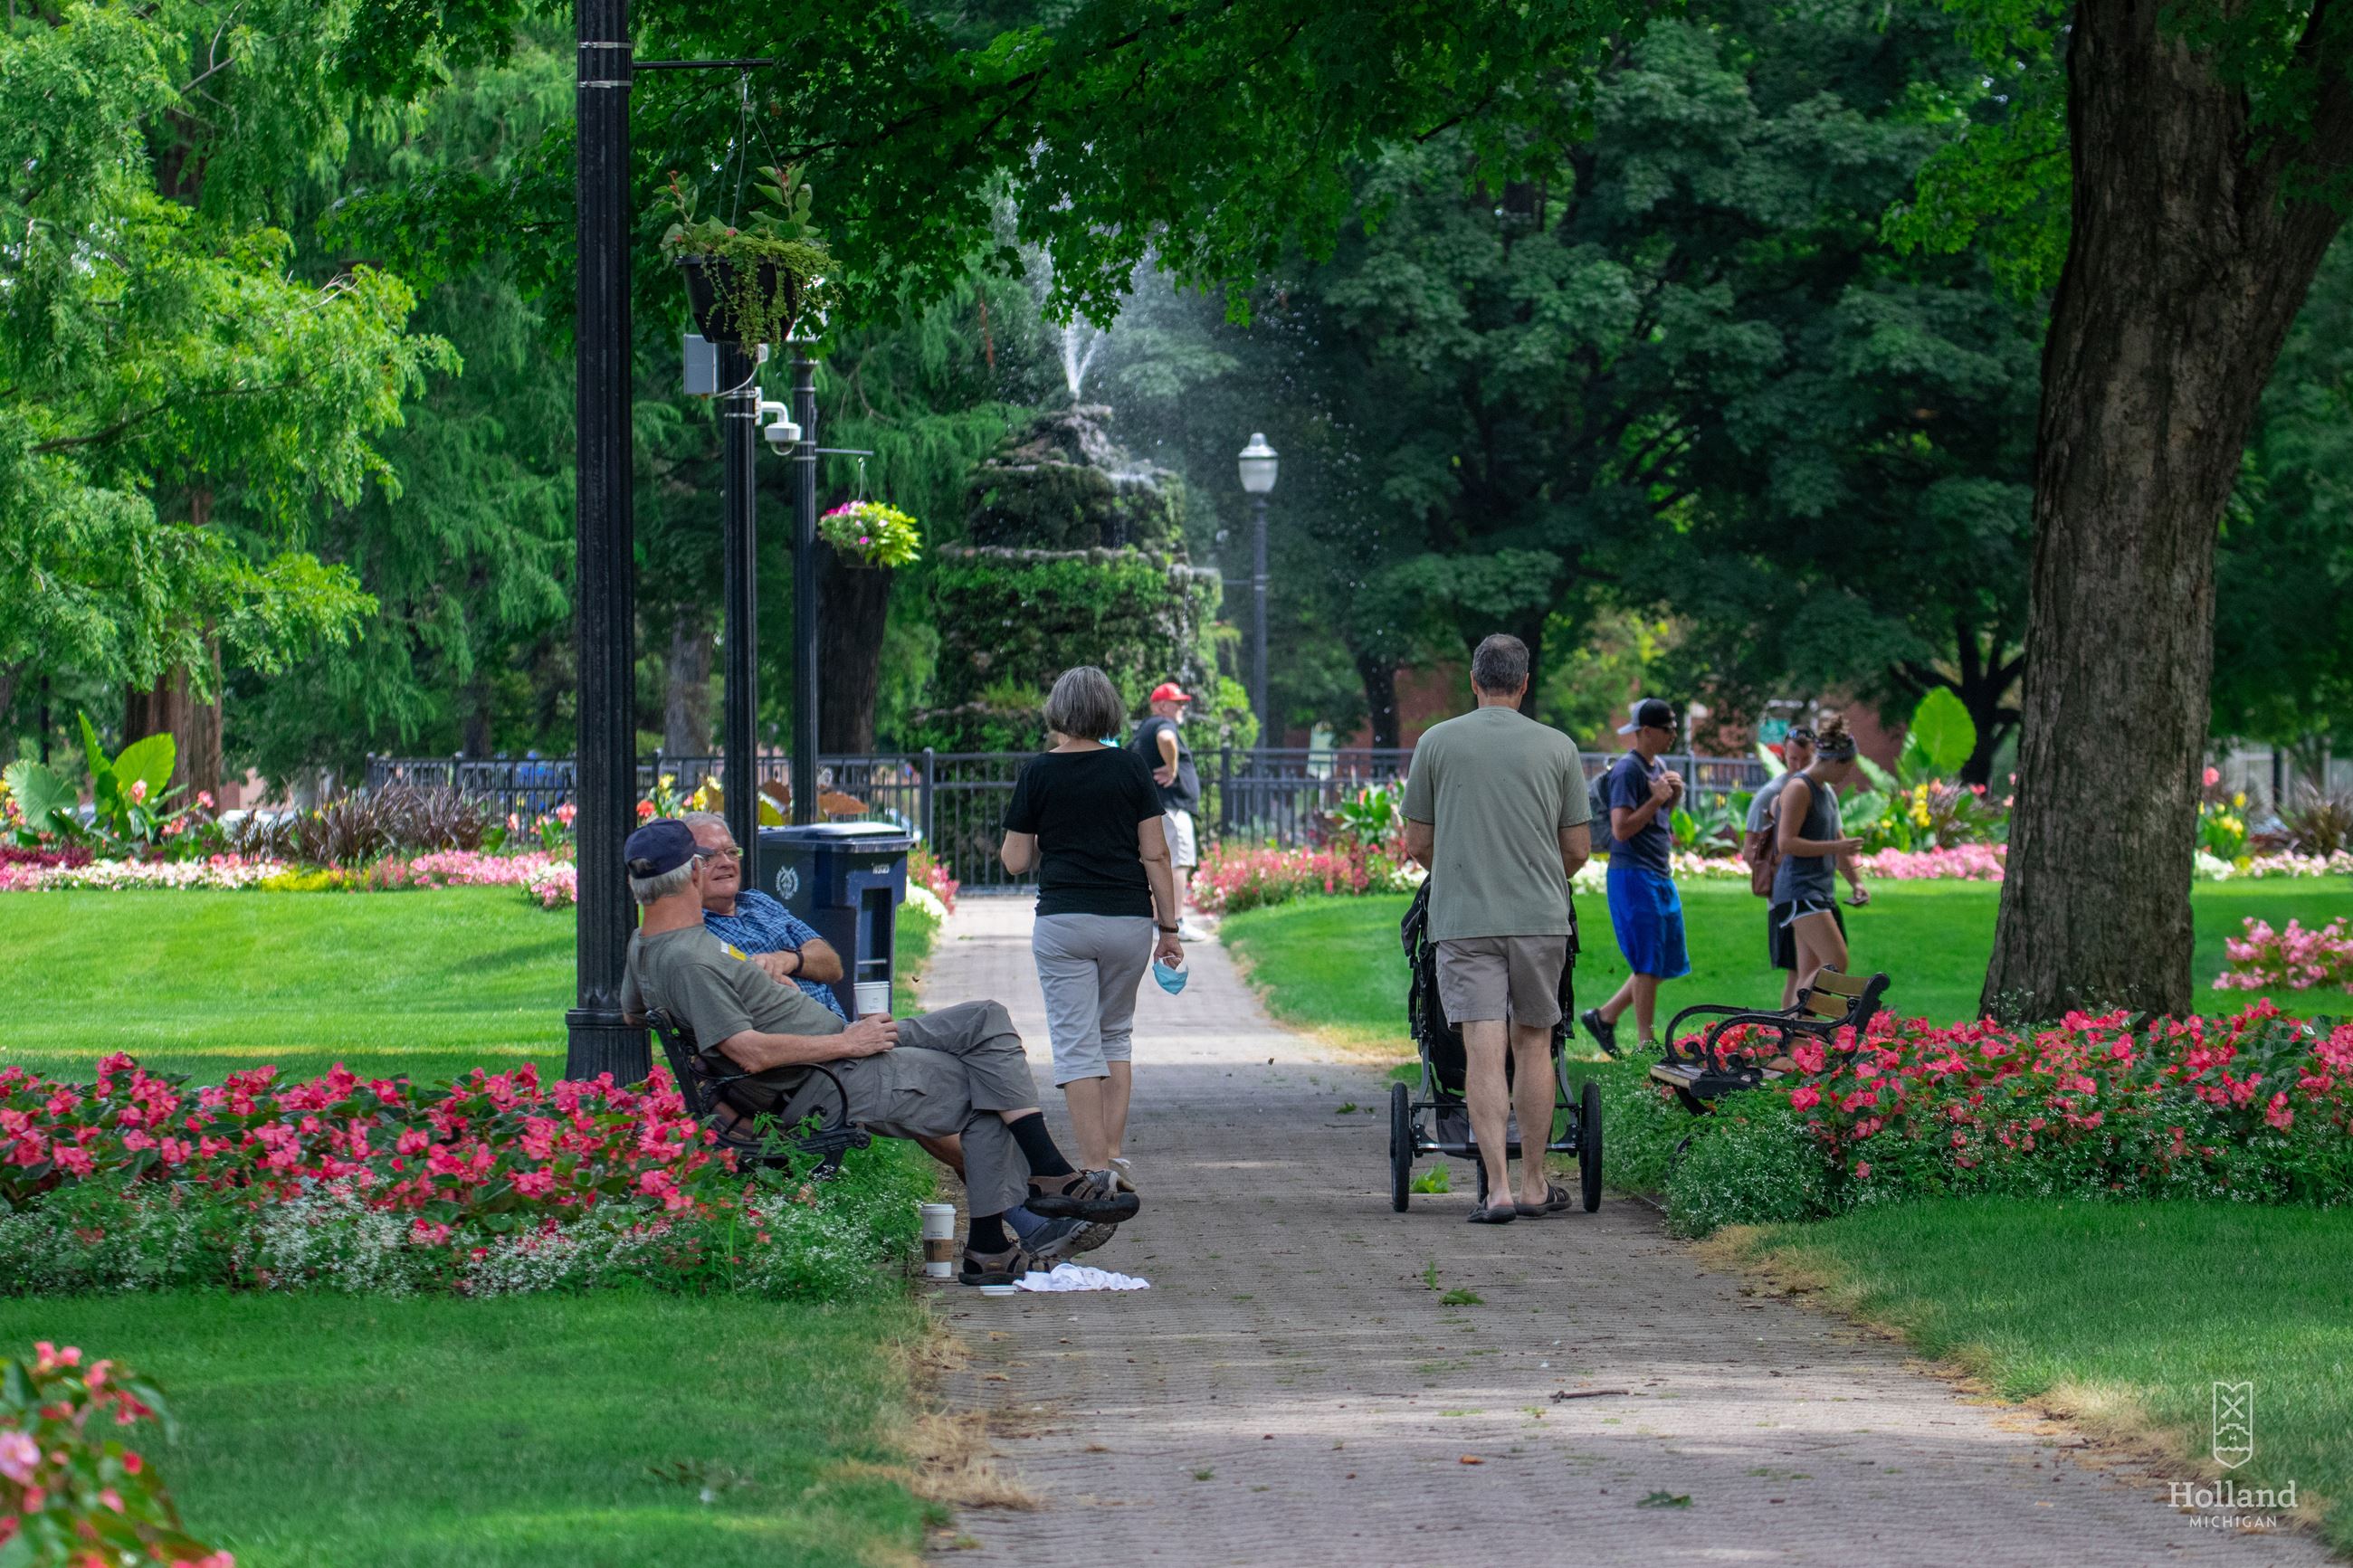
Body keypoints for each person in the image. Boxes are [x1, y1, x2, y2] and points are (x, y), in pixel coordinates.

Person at [618, 818, 1140, 1287]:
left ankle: (1034, 1191)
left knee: (985, 1018)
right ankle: (999, 1239)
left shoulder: (647, 945)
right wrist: (846, 1041)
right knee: (985, 1084)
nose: (720, 864)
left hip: (832, 1057)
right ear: (690, 875)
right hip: (828, 1076)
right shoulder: (690, 959)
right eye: (706, 859)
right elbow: (749, 1053)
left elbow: (635, 1013)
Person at [1400, 633, 1592, 1224]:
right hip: (1539, 918)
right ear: (1525, 682)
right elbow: (1578, 848)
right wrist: (1534, 875)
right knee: (1533, 1043)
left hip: (1464, 919)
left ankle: (1499, 1191)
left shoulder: (1436, 742)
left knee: (1482, 1047)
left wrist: (1466, 873)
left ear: (1474, 680)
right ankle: (1536, 1184)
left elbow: (1418, 843)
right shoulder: (1558, 747)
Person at [1001, 667, 1186, 1186]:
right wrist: (1168, 929)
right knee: (1115, 1037)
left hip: (1063, 922)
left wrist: (1048, 836)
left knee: (1076, 1044)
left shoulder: (1038, 772)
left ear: (1058, 712)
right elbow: (1156, 852)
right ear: (1109, 711)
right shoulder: (1131, 769)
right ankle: (1111, 1152)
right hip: (1128, 921)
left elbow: (1015, 860)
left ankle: (1093, 1168)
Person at [1578, 698, 1689, 1057]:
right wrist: (1656, 800)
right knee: (1646, 962)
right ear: (1645, 731)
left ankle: (1604, 1017)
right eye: (1668, 729)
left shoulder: (1660, 766)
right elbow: (1621, 829)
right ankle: (1646, 1043)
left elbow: (1655, 823)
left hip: (1658, 872)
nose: (1674, 734)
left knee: (1657, 960)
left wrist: (1672, 799)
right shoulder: (1628, 770)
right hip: (1633, 874)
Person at [682, 811, 847, 1022]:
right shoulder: (696, 929)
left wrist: (788, 960)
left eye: (731, 852)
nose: (726, 862)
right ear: (684, 868)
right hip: (811, 1045)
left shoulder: (759, 902)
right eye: (708, 856)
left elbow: (832, 965)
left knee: (901, 1032)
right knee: (903, 1051)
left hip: (845, 1030)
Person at [1772, 716, 1869, 996]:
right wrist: (1836, 848)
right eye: (1847, 768)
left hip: (1818, 890)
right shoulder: (1800, 789)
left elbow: (1838, 842)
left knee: (1809, 972)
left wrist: (1856, 883)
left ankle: (1796, 1037)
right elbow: (1786, 842)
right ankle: (1791, 1030)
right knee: (1836, 962)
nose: (1847, 775)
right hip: (1798, 890)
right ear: (1835, 761)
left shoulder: (1826, 793)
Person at [1129, 680, 1210, 942]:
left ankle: (1157, 923)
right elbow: (1166, 739)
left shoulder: (1143, 728)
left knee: (1158, 864)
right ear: (1162, 705)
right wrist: (1172, 768)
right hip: (1171, 810)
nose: (1182, 708)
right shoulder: (1161, 725)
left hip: (1156, 810)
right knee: (1178, 863)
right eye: (1178, 703)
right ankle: (1175, 922)